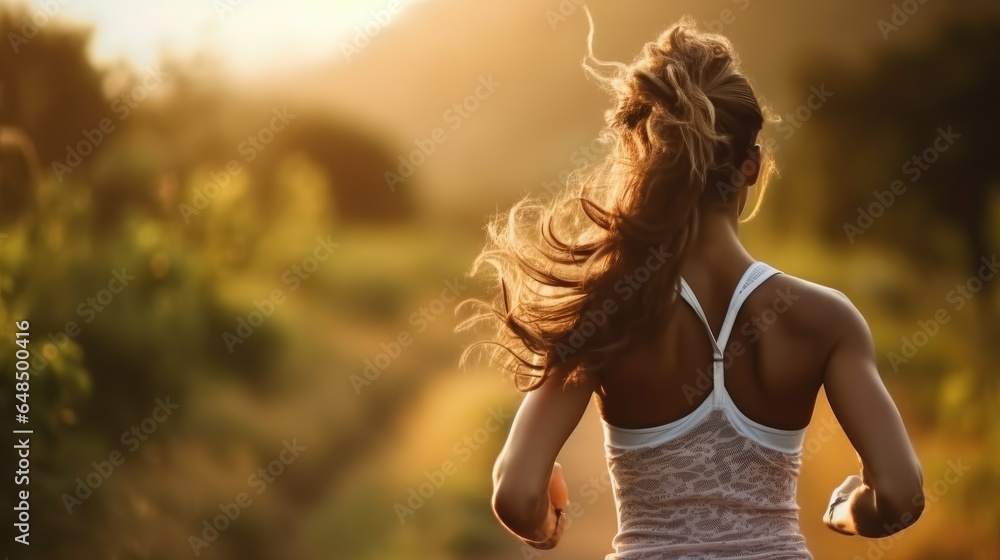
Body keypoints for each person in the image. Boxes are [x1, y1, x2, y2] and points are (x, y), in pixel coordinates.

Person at [457, 13, 924, 560]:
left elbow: (516, 493)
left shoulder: (608, 309)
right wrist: (846, 511)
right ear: (750, 166)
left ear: (649, 165)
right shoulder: (827, 320)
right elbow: (898, 495)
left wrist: (545, 523)